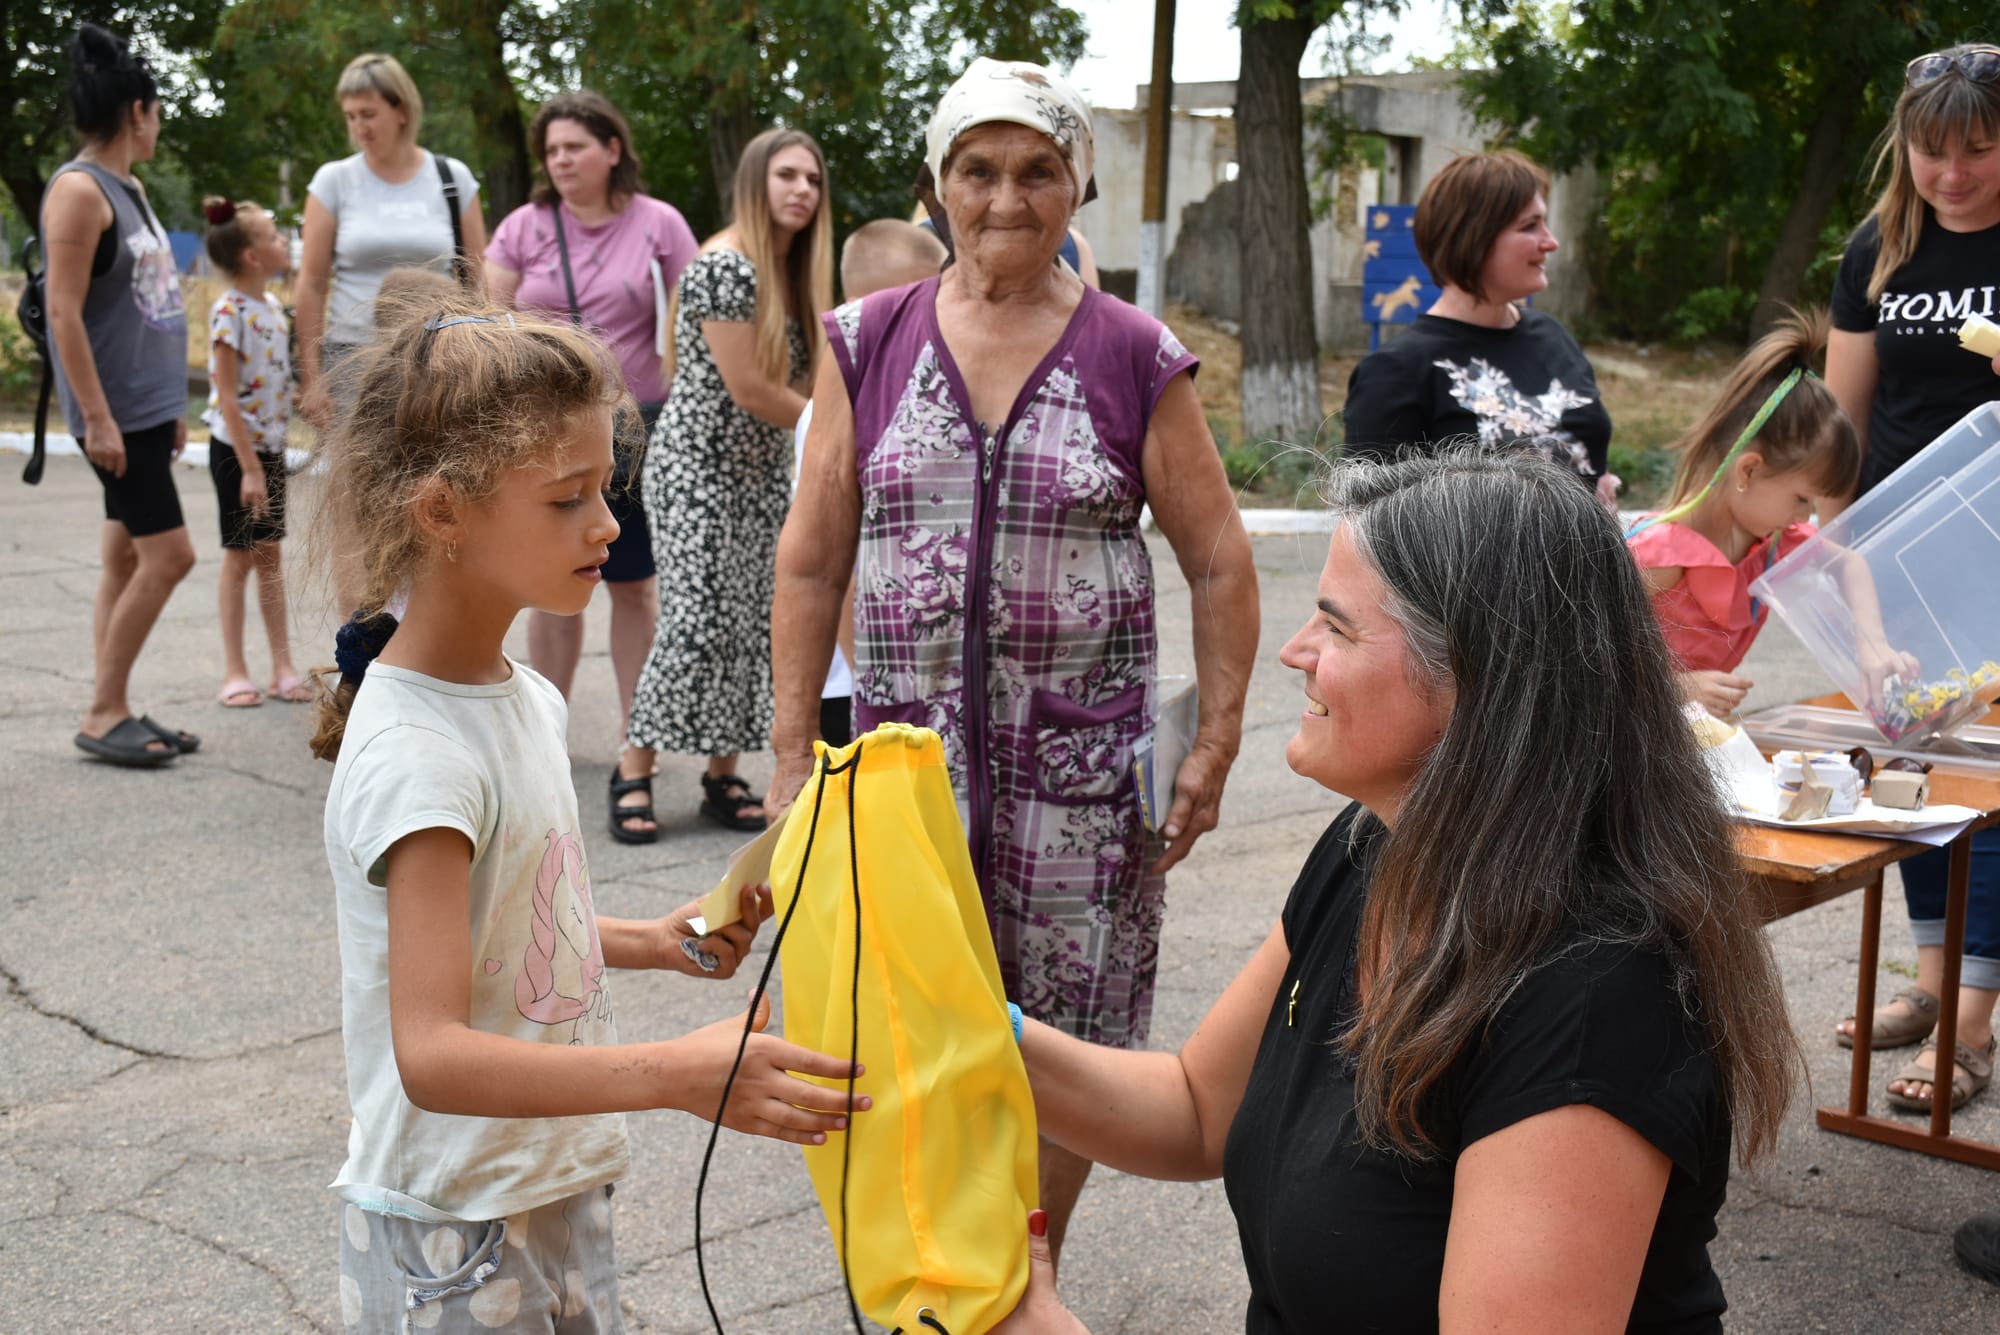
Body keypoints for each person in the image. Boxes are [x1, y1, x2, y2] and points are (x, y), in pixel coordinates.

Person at [994, 451, 1799, 1334]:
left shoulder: (1595, 996)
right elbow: (1194, 1108)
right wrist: (959, 1029)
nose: (1296, 652)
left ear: (1479, 681)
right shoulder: (1375, 845)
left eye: (1336, 630)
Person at [771, 57, 1260, 1265]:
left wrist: (1213, 740)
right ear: (936, 186)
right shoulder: (865, 341)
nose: (1006, 197)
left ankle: (1028, 1256)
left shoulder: (1132, 354)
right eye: (977, 169)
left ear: (1075, 186)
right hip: (904, 777)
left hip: (1083, 786)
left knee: (1070, 1040)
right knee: (901, 1023)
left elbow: (1218, 560)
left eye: (1038, 169)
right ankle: (933, 1255)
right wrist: (790, 749)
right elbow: (810, 559)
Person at [309, 294, 866, 1328]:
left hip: (548, 1181)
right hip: (454, 1228)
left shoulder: (525, 697)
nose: (608, 525)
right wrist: (675, 1073)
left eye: (606, 489)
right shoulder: (417, 757)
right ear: (442, 513)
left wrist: (652, 941)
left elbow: (504, 925)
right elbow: (428, 1051)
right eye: (568, 498)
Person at [1826, 41, 2000, 1115]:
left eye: (1975, 150)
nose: (1949, 175)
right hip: (1892, 553)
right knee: (1908, 765)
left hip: (1994, 547)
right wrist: (1826, 544)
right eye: (1930, 152)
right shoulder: (1876, 246)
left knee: (1990, 782)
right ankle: (1929, 987)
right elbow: (1841, 419)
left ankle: (1971, 1027)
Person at [488, 90, 700, 845]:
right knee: (553, 588)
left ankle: (632, 749)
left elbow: (695, 319)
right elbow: (490, 325)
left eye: (575, 146)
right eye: (551, 150)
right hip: (546, 434)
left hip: (637, 426)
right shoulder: (524, 227)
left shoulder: (660, 223)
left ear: (614, 148)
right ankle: (543, 735)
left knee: (634, 587)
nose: (561, 160)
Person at [625, 127, 833, 832]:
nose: (802, 189)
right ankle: (634, 770)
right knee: (695, 621)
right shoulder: (725, 267)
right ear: (755, 182)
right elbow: (751, 388)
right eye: (787, 175)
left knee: (754, 626)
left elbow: (802, 379)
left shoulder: (794, 273)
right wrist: (836, 436)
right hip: (698, 471)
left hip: (767, 471)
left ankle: (723, 773)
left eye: (812, 178)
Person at [42, 23, 196, 768]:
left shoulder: (127, 187)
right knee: (170, 558)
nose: (159, 125)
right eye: (158, 111)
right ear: (138, 110)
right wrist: (98, 417)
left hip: (141, 412)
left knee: (122, 562)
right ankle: (105, 712)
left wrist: (166, 408)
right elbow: (65, 311)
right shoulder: (78, 190)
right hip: (112, 416)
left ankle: (115, 699)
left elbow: (145, 305)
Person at [1341, 150, 1619, 505]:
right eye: (1529, 226)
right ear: (1474, 237)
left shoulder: (1552, 336)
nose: (1551, 242)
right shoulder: (1395, 372)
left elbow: (1589, 465)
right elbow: (1365, 529)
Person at [1625, 310, 1863, 719]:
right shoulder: (1662, 556)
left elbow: (1851, 565)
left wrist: (1875, 649)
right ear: (1748, 470)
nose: (1804, 519)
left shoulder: (1770, 542)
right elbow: (1575, 654)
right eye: (1802, 499)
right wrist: (1676, 686)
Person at [790, 219, 949, 750]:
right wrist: (869, 679)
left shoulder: (917, 395)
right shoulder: (834, 412)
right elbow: (836, 561)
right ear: (858, 306)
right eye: (912, 304)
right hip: (856, 681)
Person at [294, 52, 484, 435]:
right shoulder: (334, 181)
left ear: (401, 110)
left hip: (437, 358)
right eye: (350, 117)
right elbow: (312, 282)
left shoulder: (452, 178)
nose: (358, 127)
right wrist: (312, 379)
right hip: (354, 358)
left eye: (368, 114)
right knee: (359, 483)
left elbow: (477, 278)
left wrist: (481, 360)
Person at [199, 197, 308, 709]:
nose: (283, 242)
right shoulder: (229, 312)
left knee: (269, 555)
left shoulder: (272, 310)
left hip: (268, 449)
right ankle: (234, 670)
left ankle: (282, 667)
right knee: (239, 557)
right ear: (251, 255)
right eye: (273, 235)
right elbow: (225, 394)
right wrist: (248, 469)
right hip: (235, 451)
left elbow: (275, 384)